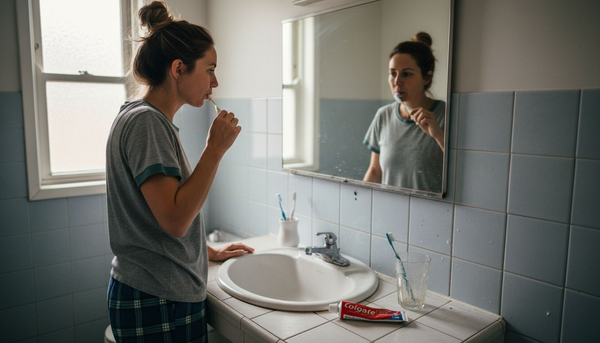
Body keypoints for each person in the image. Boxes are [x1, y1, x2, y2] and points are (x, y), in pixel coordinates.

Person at [105, 2, 254, 342]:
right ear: (178, 68)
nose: (215, 81)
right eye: (210, 69)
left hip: (153, 290)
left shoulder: (140, 116)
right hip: (158, 297)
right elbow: (173, 221)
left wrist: (203, 250)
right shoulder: (147, 123)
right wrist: (214, 150)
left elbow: (157, 216)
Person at [363, 32, 445, 193]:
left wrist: (439, 135)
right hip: (389, 212)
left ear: (426, 78)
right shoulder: (383, 115)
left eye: (406, 74)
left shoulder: (447, 116)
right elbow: (375, 171)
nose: (397, 81)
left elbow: (466, 171)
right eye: (393, 73)